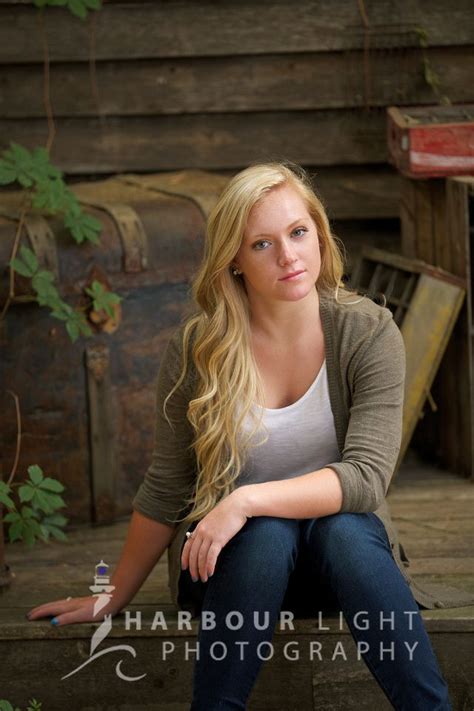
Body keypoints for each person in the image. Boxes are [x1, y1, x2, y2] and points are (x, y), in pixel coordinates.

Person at [26, 162, 453, 710]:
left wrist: (245, 500)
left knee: (344, 529)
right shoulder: (198, 349)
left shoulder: (368, 331)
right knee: (267, 535)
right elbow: (167, 485)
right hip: (233, 573)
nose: (288, 256)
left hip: (342, 571)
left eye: (299, 233)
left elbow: (366, 480)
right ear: (234, 258)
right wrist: (112, 598)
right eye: (262, 244)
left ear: (319, 233)